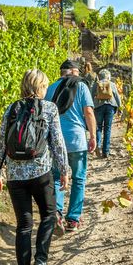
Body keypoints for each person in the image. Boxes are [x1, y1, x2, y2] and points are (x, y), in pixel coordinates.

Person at [0, 69, 69, 265]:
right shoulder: (49, 108)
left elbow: (0, 144)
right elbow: (57, 142)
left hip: (15, 177)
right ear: (40, 87)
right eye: (44, 85)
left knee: (24, 226)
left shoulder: (12, 108)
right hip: (41, 173)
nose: (45, 89)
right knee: (49, 215)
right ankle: (41, 261)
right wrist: (64, 170)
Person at [45, 59, 96, 232]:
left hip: (56, 141)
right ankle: (73, 220)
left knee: (57, 177)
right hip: (77, 140)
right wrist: (93, 136)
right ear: (75, 71)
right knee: (79, 179)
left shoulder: (50, 88)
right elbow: (88, 112)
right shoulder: (81, 86)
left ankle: (57, 213)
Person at [91, 69, 122, 159]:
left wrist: (90, 106)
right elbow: (117, 96)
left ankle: (98, 146)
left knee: (98, 127)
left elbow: (91, 95)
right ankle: (106, 151)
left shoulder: (96, 84)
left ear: (99, 76)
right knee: (107, 128)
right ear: (108, 76)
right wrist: (120, 107)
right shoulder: (112, 84)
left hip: (98, 106)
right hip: (110, 106)